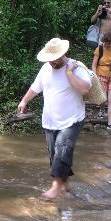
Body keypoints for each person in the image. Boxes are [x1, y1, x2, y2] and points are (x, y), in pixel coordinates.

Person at [18, 38, 91, 200]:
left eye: (54, 58)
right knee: (54, 153)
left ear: (63, 54)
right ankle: (65, 184)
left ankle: (55, 186)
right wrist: (24, 101)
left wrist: (69, 72)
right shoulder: (46, 68)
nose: (51, 62)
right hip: (50, 121)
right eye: (49, 59)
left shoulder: (76, 67)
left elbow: (84, 89)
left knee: (62, 147)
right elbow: (35, 87)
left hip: (72, 119)